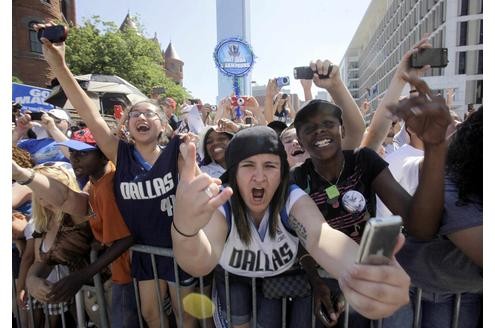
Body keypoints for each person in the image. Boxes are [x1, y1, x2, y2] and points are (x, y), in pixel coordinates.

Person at [36, 23, 196, 328]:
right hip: (143, 254)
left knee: (186, 318)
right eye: (135, 114)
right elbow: (88, 113)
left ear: (163, 126)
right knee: (153, 317)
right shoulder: (120, 155)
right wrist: (59, 64)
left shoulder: (178, 154)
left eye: (150, 113)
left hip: (178, 251)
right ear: (126, 126)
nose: (142, 117)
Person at [172, 125, 411, 328]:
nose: (259, 177)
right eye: (248, 166)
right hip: (234, 281)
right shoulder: (224, 202)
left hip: (279, 283)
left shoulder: (290, 198)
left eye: (269, 165)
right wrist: (184, 229)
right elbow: (199, 263)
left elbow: (320, 236)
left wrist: (361, 272)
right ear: (233, 173)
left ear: (282, 172)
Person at [14, 128, 140, 328]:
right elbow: (42, 259)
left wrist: (82, 275)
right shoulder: (94, 183)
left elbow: (128, 236)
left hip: (121, 278)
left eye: (82, 153)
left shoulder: (108, 185)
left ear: (102, 155)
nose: (75, 158)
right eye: (72, 152)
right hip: (101, 287)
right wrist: (31, 280)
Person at [384, 78, 483, 328]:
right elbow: (421, 228)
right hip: (417, 291)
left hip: (467, 293)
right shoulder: (450, 184)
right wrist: (435, 148)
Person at [14, 163, 93, 328]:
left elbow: (66, 199)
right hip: (85, 294)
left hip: (106, 285)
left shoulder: (77, 211)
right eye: (39, 192)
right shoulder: (44, 223)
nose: (43, 197)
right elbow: (40, 260)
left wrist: (21, 173)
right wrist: (31, 280)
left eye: (47, 189)